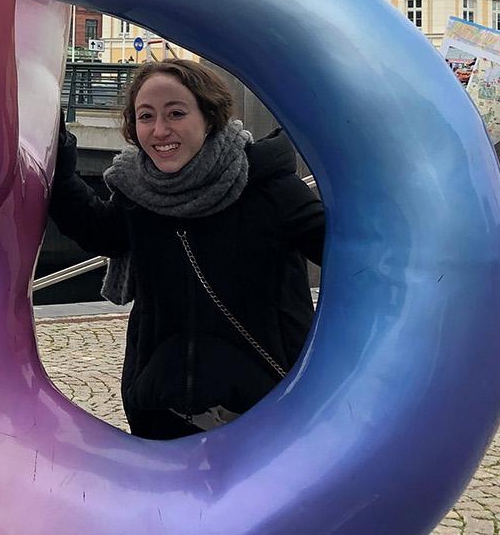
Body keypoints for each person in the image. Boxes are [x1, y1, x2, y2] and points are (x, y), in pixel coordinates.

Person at [50, 59, 324, 440]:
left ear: (210, 117)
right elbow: (97, 231)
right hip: (162, 405)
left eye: (176, 113)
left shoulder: (269, 188)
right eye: (146, 116)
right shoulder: (139, 194)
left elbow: (348, 256)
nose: (160, 130)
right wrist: (57, 155)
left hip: (267, 406)